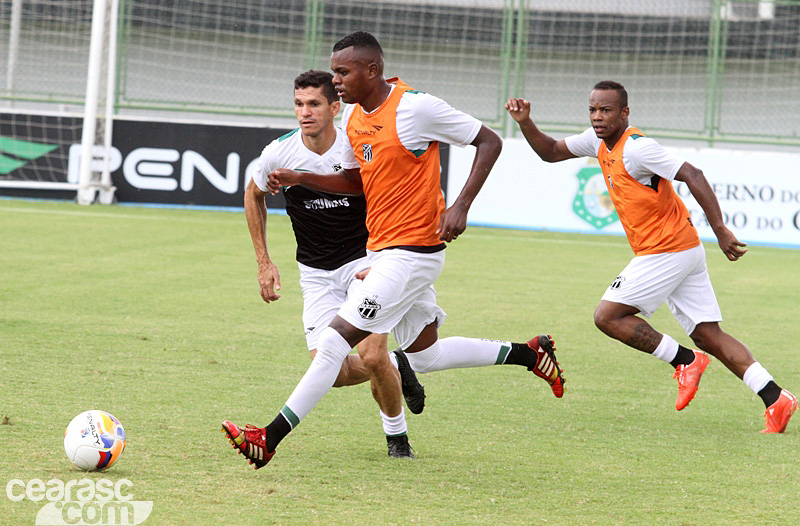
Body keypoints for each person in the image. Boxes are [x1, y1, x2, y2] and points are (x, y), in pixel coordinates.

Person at [222, 31, 565, 470]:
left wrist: (460, 205)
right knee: (427, 355)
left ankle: (268, 438)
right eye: (334, 73)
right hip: (384, 253)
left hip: (413, 251)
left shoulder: (415, 107)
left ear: (372, 70)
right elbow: (353, 182)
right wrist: (301, 177)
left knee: (333, 342)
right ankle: (529, 352)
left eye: (343, 73)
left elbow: (489, 141)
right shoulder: (357, 121)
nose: (337, 82)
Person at [505, 80, 797, 433]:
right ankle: (775, 398)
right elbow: (550, 151)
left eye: (606, 110)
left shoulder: (639, 148)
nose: (598, 117)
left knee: (608, 316)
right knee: (707, 333)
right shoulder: (595, 140)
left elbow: (693, 174)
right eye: (593, 110)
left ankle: (685, 361)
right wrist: (525, 122)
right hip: (681, 249)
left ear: (624, 112)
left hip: (667, 250)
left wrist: (720, 228)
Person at [239, 69, 427, 459]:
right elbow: (252, 194)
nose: (305, 112)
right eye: (298, 104)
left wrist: (391, 254)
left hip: (365, 263)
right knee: (336, 373)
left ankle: (397, 439)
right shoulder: (278, 151)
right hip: (316, 273)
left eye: (314, 104)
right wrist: (264, 261)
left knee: (372, 355)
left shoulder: (354, 146)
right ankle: (399, 362)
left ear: (335, 107)